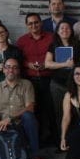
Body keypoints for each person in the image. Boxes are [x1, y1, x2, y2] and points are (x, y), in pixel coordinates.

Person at [0, 58, 42, 159]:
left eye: (14, 67)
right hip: (4, 126)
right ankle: (5, 151)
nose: (11, 70)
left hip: (22, 125)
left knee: (28, 116)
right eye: (8, 67)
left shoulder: (26, 84)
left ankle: (35, 155)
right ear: (3, 69)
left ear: (18, 70)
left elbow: (30, 107)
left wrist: (10, 118)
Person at [45, 21, 80, 136]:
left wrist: (75, 66)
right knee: (59, 113)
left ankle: (77, 138)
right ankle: (62, 140)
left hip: (75, 85)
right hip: (57, 84)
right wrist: (65, 64)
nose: (65, 30)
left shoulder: (78, 45)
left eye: (67, 28)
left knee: (77, 112)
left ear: (71, 31)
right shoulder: (53, 45)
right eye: (62, 28)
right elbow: (47, 64)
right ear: (58, 31)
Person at [17, 13, 55, 145]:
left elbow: (59, 55)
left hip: (49, 78)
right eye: (30, 23)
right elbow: (19, 60)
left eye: (36, 22)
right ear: (27, 26)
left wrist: (47, 64)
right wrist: (29, 65)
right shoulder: (22, 41)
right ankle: (37, 140)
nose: (34, 25)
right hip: (30, 80)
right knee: (34, 110)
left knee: (51, 109)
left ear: (41, 23)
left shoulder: (52, 37)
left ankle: (54, 139)